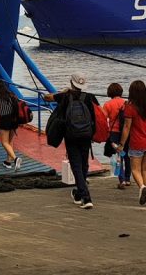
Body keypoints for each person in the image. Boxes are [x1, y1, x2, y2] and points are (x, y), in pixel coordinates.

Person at [43, 73, 100, 210]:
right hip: (86, 134)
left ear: (71, 83)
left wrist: (62, 92)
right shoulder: (90, 97)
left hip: (71, 134)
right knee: (83, 163)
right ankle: (79, 193)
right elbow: (98, 113)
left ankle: (86, 197)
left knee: (75, 165)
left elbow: (47, 97)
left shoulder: (65, 96)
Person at [114, 79, 146, 206]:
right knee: (145, 169)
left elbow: (127, 127)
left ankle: (141, 187)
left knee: (135, 169)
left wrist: (122, 144)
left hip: (136, 142)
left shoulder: (130, 107)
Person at [0, 81, 22, 170]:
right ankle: (8, 162)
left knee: (4, 142)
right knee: (10, 142)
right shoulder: (11, 94)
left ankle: (15, 159)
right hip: (14, 119)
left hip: (5, 119)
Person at [102, 82, 131, 189]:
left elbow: (103, 119)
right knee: (127, 155)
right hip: (126, 132)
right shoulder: (126, 103)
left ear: (109, 92)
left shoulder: (108, 104)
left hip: (113, 133)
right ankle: (128, 179)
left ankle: (121, 179)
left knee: (118, 156)